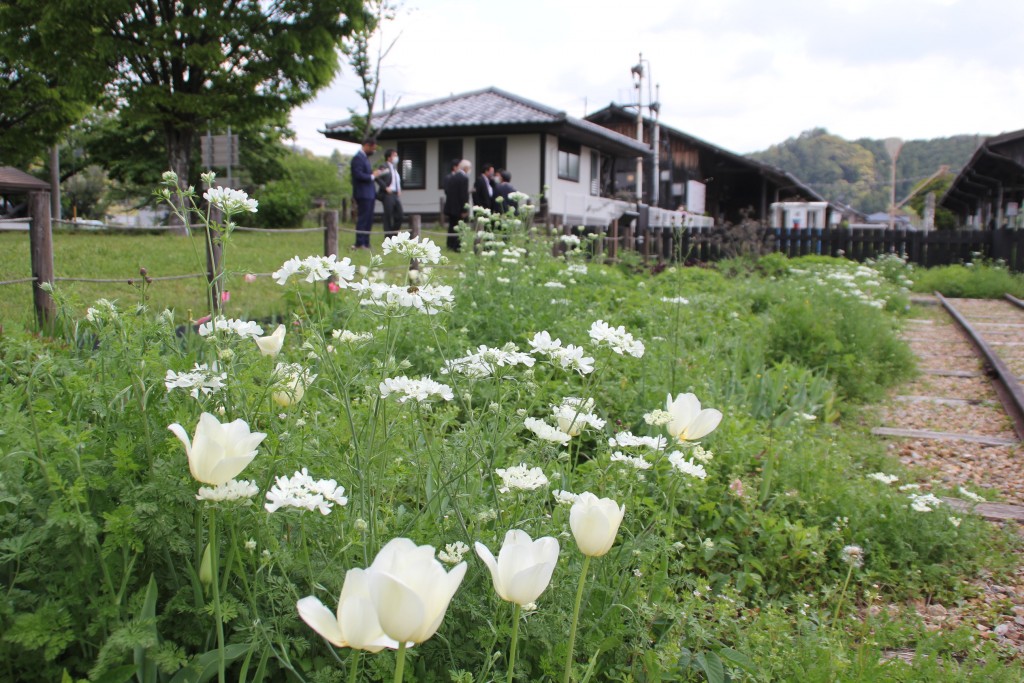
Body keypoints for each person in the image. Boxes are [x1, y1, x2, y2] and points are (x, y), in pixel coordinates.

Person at [350, 136, 381, 249]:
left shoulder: (365, 158)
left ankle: (366, 242)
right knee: (363, 218)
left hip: (369, 193)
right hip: (362, 193)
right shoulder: (357, 158)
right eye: (373, 148)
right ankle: (359, 242)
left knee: (369, 219)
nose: (373, 151)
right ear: (367, 145)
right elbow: (358, 175)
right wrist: (372, 176)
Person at [444, 159, 471, 251]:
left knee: (452, 226)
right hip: (459, 207)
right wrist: (464, 209)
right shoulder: (464, 178)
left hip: (451, 207)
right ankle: (457, 246)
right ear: (466, 168)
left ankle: (450, 244)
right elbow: (463, 195)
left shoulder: (452, 176)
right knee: (459, 227)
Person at [378, 148, 403, 238]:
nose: (396, 157)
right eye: (394, 155)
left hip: (396, 194)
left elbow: (397, 180)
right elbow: (377, 177)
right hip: (388, 194)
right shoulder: (384, 166)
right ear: (389, 157)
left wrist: (399, 189)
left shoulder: (394, 168)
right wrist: (385, 187)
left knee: (400, 215)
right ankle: (388, 237)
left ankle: (394, 235)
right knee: (388, 215)